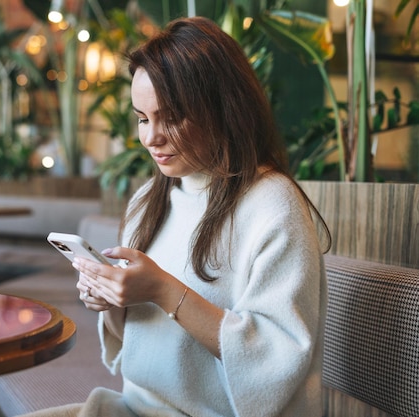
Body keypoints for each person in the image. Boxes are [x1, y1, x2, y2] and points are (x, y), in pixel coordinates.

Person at [24, 16, 329, 417]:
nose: (151, 137)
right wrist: (112, 299)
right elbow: (136, 344)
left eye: (172, 117)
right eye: (142, 118)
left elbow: (275, 359)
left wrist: (163, 291)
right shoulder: (150, 199)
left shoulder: (272, 206)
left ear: (223, 108)